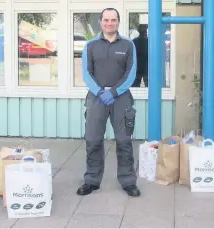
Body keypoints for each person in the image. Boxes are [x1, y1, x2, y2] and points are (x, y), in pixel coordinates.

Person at [77, 8, 141, 197]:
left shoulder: (128, 45)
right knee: (93, 140)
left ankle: (128, 181)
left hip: (121, 98)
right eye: (106, 20)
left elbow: (131, 73)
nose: (109, 23)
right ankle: (91, 180)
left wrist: (113, 92)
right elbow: (86, 73)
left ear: (118, 22)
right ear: (101, 22)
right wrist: (100, 92)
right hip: (96, 98)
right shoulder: (90, 45)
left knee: (124, 141)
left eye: (113, 20)